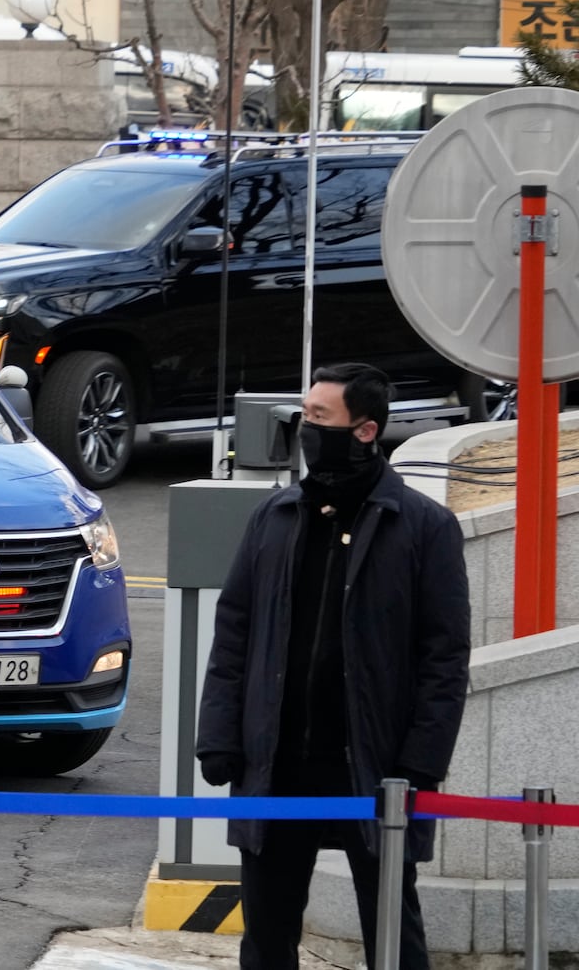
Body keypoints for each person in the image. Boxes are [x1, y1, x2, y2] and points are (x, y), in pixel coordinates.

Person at [196, 362, 471, 970]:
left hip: (377, 769)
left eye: (320, 418)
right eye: (305, 415)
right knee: (267, 936)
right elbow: (234, 630)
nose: (305, 428)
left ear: (366, 431)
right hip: (277, 764)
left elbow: (444, 658)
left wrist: (418, 766)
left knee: (393, 932)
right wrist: (219, 735)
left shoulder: (425, 528)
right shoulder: (276, 516)